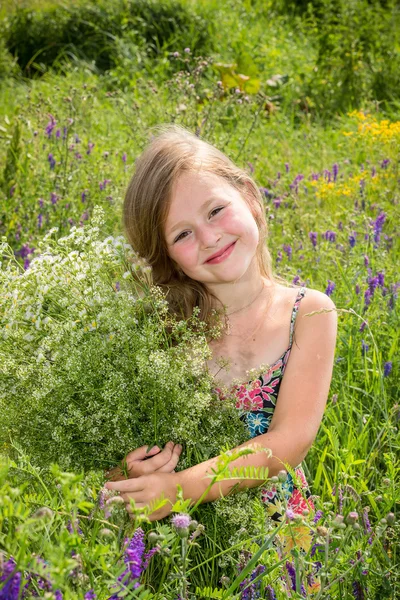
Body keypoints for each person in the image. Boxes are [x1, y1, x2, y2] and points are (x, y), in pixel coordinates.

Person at [105, 124, 337, 523]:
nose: (210, 237)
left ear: (248, 196)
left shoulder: (309, 313)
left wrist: (180, 489)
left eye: (215, 211)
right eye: (183, 234)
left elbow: (290, 440)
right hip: (179, 544)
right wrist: (132, 471)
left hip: (273, 542)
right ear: (167, 257)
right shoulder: (158, 329)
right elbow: (108, 464)